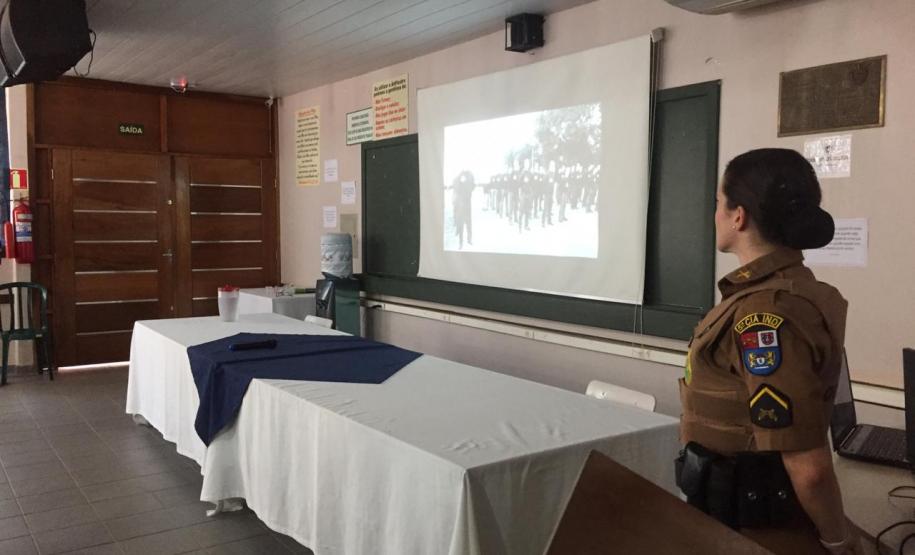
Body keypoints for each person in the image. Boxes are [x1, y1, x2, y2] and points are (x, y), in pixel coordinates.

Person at [677, 148, 863, 554]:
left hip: (753, 525)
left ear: (738, 216)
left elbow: (808, 466)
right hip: (735, 515)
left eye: (718, 204)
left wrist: (839, 542)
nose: (716, 215)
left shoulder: (767, 313)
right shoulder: (781, 294)